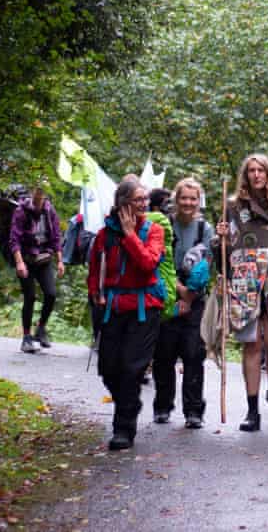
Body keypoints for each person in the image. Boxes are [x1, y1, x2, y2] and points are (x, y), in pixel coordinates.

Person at [214, 153, 268, 432]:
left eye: (260, 170)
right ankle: (253, 411)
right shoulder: (233, 206)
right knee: (251, 343)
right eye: (251, 170)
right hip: (245, 279)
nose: (256, 175)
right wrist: (221, 239)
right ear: (246, 175)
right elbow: (223, 252)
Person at [88, 178, 165, 450]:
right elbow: (95, 268)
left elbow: (148, 264)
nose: (144, 205)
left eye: (145, 199)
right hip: (113, 308)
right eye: (138, 200)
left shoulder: (153, 231)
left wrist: (131, 235)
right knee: (108, 369)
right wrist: (95, 296)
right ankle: (129, 403)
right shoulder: (104, 234)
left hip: (145, 310)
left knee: (132, 369)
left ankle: (123, 428)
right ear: (122, 204)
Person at [151, 180, 213, 429]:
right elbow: (158, 262)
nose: (188, 203)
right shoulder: (164, 225)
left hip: (196, 295)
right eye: (184, 198)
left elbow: (208, 262)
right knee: (164, 353)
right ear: (176, 199)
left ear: (199, 201)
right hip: (167, 291)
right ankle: (163, 406)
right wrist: (179, 292)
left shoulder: (205, 229)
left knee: (193, 354)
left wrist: (190, 295)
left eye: (193, 199)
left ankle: (194, 410)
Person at [8, 185, 64, 353]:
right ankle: (26, 338)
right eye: (37, 194)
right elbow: (14, 239)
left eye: (42, 194)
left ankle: (40, 329)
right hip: (26, 259)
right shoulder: (21, 211)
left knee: (51, 294)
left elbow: (55, 237)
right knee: (30, 297)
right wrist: (19, 263)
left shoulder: (49, 210)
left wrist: (60, 261)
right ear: (32, 194)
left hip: (43, 259)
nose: (39, 197)